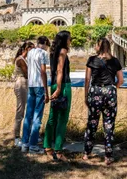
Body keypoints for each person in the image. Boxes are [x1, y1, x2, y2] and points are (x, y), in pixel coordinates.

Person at [83, 37, 124, 165]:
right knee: (109, 124)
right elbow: (121, 80)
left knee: (92, 123)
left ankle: (86, 153)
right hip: (110, 92)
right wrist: (112, 88)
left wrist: (86, 95)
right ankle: (108, 156)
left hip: (95, 92)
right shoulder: (115, 61)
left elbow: (87, 80)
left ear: (99, 46)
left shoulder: (92, 60)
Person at [44, 30, 72, 161]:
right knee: (62, 118)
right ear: (65, 40)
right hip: (63, 85)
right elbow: (60, 70)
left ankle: (47, 146)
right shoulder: (63, 51)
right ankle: (59, 150)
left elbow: (52, 72)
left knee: (52, 117)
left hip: (53, 84)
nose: (70, 41)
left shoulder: (52, 52)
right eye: (69, 39)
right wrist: (60, 88)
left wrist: (54, 86)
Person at [21, 36, 50, 154]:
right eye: (47, 46)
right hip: (39, 85)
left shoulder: (30, 52)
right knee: (37, 116)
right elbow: (43, 72)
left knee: (28, 115)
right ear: (45, 44)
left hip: (31, 85)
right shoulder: (43, 53)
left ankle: (24, 143)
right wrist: (46, 91)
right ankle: (33, 145)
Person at [13, 41, 35, 148]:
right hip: (21, 83)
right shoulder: (21, 60)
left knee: (26, 110)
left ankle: (26, 134)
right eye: (32, 49)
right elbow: (27, 73)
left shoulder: (25, 60)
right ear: (27, 49)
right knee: (20, 110)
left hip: (25, 84)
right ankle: (16, 137)